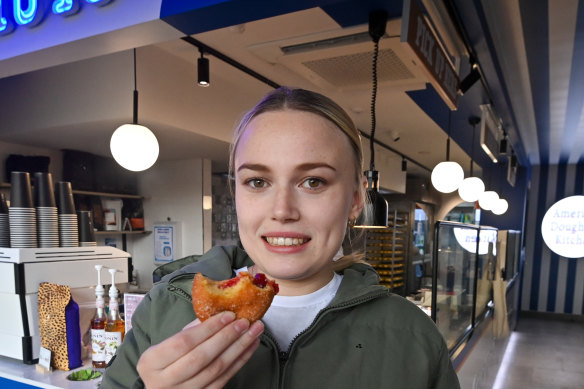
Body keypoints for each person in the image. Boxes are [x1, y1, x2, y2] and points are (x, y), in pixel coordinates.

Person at [101, 87, 461, 389]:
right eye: (258, 182)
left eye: (313, 182)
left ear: (354, 200)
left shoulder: (414, 338)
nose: (283, 210)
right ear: (238, 193)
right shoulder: (166, 307)